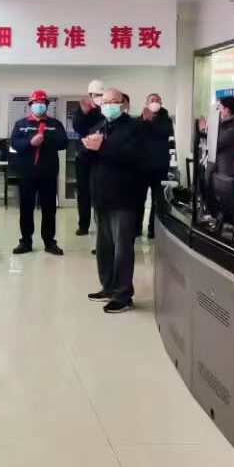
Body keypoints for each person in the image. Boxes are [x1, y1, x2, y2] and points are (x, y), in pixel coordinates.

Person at [81, 88, 150, 313]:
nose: (108, 105)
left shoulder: (135, 128)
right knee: (104, 247)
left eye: (113, 101)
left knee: (122, 249)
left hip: (124, 197)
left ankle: (123, 295)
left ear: (124, 105)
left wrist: (102, 148)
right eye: (105, 102)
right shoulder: (98, 127)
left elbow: (134, 157)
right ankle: (108, 287)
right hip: (101, 195)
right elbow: (85, 159)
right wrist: (88, 149)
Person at [9, 90, 67, 255]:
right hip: (26, 173)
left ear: (46, 105)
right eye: (35, 103)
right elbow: (14, 143)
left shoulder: (55, 124)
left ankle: (49, 242)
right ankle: (25, 242)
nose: (39, 106)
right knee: (26, 208)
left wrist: (45, 139)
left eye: (42, 103)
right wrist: (30, 142)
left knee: (49, 209)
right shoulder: (21, 124)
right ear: (30, 105)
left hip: (48, 173)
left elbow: (64, 143)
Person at [206, 97, 234, 223]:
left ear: (227, 110)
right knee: (222, 202)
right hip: (221, 168)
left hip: (227, 170)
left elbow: (217, 143)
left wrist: (211, 128)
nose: (219, 111)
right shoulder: (228, 124)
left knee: (228, 204)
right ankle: (223, 224)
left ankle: (232, 227)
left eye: (220, 108)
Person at [137, 93, 175, 238]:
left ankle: (153, 229)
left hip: (160, 166)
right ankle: (136, 228)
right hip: (142, 167)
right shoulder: (140, 119)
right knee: (139, 199)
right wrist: (144, 121)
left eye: (157, 100)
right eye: (152, 100)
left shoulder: (166, 119)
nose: (155, 102)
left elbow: (163, 132)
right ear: (147, 103)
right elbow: (137, 136)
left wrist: (149, 122)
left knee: (158, 201)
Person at [72, 80, 106, 236]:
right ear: (90, 95)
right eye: (96, 95)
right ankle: (83, 225)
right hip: (85, 156)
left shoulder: (106, 109)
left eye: (101, 94)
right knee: (83, 191)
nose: (98, 97)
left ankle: (102, 226)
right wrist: (84, 112)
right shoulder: (81, 110)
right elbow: (78, 127)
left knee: (102, 191)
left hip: (103, 156)